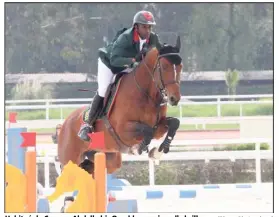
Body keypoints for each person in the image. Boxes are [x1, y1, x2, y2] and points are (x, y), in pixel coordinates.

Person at [78, 10, 162, 142]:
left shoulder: (153, 38)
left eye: (150, 27)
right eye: (144, 27)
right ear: (136, 27)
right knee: (103, 89)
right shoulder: (126, 38)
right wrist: (133, 62)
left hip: (129, 66)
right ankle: (87, 124)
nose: (148, 30)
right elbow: (114, 60)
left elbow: (160, 54)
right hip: (109, 64)